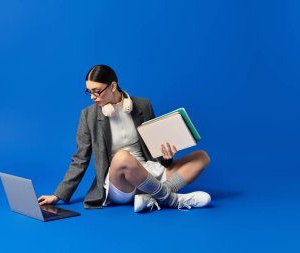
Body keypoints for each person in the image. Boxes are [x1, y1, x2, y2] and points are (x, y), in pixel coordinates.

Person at [38, 64, 211, 212]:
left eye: (97, 92)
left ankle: (153, 197)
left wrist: (166, 157)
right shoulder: (88, 116)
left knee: (201, 157)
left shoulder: (143, 105)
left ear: (113, 86)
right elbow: (80, 159)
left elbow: (154, 146)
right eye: (89, 92)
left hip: (148, 172)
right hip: (120, 182)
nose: (92, 97)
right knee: (122, 156)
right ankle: (173, 200)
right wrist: (58, 194)